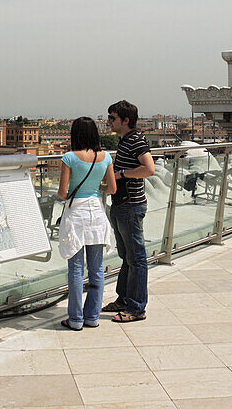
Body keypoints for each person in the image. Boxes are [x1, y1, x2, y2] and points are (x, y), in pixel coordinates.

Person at [57, 117, 117, 330]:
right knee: (97, 268)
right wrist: (95, 185)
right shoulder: (106, 157)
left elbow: (63, 193)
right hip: (97, 213)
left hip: (77, 214)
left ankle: (75, 319)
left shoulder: (69, 158)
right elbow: (112, 188)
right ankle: (92, 316)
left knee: (75, 269)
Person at [102, 100, 154, 323]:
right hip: (123, 204)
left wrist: (120, 174)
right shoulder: (126, 140)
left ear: (125, 120)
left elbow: (149, 169)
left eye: (112, 118)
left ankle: (137, 308)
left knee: (137, 258)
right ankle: (124, 299)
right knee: (127, 256)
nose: (109, 122)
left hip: (131, 205)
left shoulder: (136, 140)